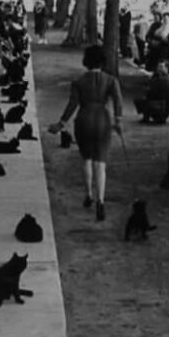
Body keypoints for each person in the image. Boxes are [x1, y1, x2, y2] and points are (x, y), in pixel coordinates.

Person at [48, 44, 123, 221]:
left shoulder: (79, 82)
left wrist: (61, 123)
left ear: (86, 61)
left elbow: (72, 104)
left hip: (83, 119)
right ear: (102, 61)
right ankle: (101, 201)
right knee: (100, 163)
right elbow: (118, 102)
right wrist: (118, 121)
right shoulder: (111, 80)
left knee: (87, 159)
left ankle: (88, 194)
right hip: (103, 120)